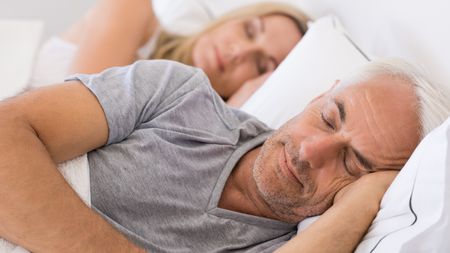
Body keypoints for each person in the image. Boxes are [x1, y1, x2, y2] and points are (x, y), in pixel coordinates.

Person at [0, 58, 449, 253]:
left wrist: (359, 206)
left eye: (354, 163)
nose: (313, 152)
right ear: (320, 94)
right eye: (330, 118)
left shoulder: (303, 242)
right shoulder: (178, 95)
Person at [29, 0, 310, 107]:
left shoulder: (193, 119)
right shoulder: (134, 9)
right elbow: (74, 117)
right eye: (249, 30)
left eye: (261, 65)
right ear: (234, 18)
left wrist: (231, 113)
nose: (239, 51)